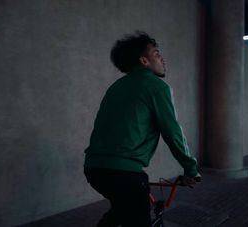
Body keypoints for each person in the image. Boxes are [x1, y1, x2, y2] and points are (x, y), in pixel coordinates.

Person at [83, 31, 200, 227]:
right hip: (124, 173)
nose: (161, 57)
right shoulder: (156, 86)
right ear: (144, 61)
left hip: (94, 169)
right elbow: (172, 131)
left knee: (120, 211)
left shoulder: (116, 87)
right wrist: (191, 169)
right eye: (156, 53)